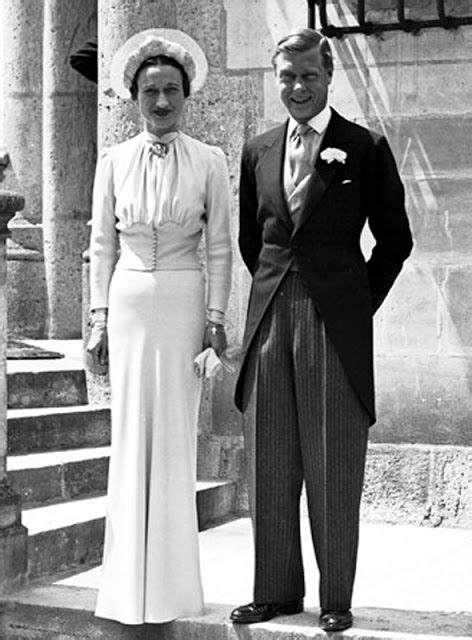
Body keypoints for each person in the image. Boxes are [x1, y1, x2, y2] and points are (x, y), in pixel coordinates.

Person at [231, 28, 412, 631]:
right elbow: (252, 240)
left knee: (332, 460)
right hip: (269, 319)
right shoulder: (257, 150)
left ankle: (336, 598)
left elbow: (395, 241)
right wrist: (274, 291)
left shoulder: (364, 147)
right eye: (287, 76)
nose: (298, 87)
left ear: (329, 76)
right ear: (276, 78)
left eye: (309, 75)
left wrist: (355, 304)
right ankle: (276, 592)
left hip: (333, 323)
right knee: (270, 460)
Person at [86, 28, 232, 625]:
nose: (163, 102)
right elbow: (101, 245)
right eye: (151, 92)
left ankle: (172, 590)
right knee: (129, 437)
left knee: (174, 438)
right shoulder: (113, 161)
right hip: (127, 304)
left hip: (183, 303)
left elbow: (219, 246)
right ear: (134, 98)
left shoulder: (210, 161)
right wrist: (97, 318)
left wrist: (216, 320)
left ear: (186, 94)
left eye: (172, 90)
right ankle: (125, 590)